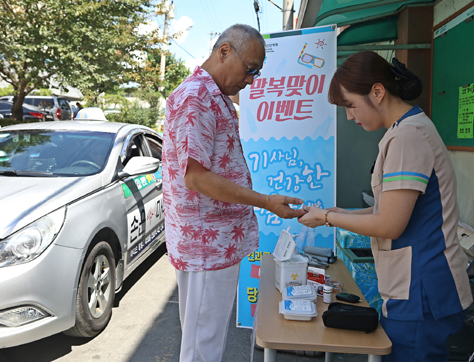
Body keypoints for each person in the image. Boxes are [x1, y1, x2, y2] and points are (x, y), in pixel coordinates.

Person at [299, 51, 472, 362]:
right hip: (416, 287)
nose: (350, 116)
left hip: (422, 291)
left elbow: (390, 224)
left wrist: (327, 217)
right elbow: (386, 209)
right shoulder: (404, 130)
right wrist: (341, 215)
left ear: (377, 92)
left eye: (350, 105)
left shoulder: (408, 136)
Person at [162, 24, 306, 362]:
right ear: (224, 51)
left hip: (215, 242)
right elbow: (196, 177)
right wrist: (266, 202)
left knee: (205, 338)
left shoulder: (214, 96)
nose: (252, 80)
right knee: (202, 346)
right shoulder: (197, 97)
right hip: (205, 244)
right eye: (250, 69)